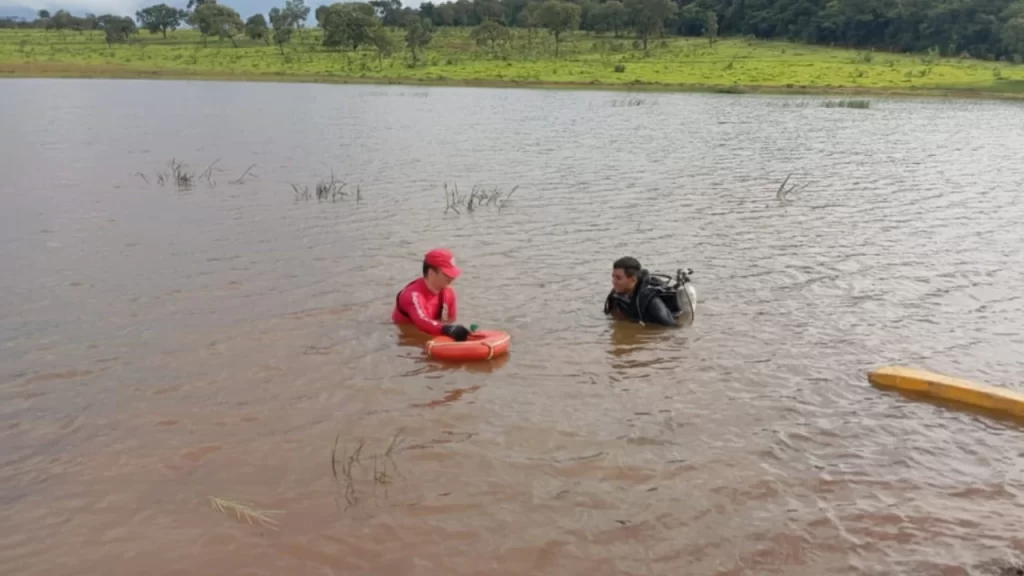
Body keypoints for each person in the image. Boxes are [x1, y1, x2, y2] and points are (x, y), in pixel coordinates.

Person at [392, 248, 472, 341]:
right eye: (447, 273)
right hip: (409, 335)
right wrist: (446, 329)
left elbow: (451, 320)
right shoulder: (412, 295)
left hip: (433, 327)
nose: (452, 277)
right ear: (431, 272)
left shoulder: (449, 292)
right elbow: (422, 321)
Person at [603, 256, 678, 327]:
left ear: (633, 280)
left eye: (618, 278)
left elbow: (672, 327)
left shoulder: (651, 300)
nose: (614, 282)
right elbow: (609, 315)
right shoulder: (616, 294)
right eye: (613, 277)